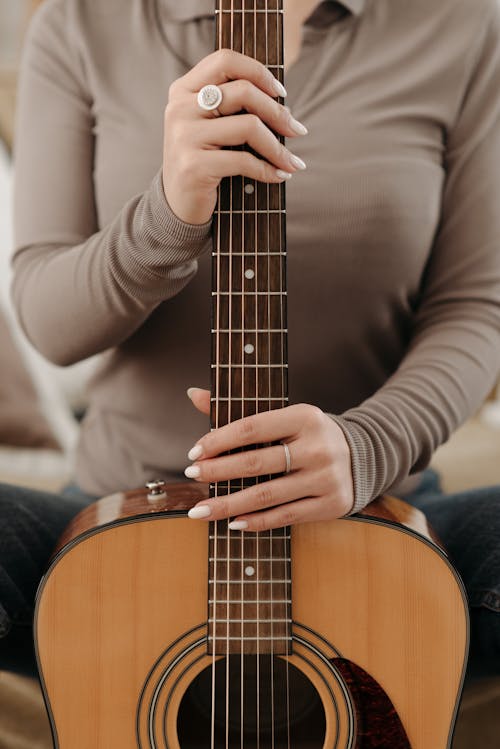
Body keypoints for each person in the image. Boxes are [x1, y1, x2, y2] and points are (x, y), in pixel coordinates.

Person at [1, 0, 499, 694]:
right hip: (120, 516)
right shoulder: (81, 22)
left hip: (374, 511)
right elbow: (51, 325)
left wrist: (367, 447)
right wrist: (167, 212)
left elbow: (476, 307)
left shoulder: (461, 25)